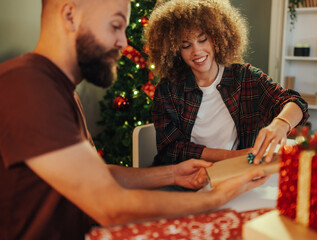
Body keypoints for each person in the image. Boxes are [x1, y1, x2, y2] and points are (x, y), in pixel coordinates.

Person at [0, 0, 269, 239]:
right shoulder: (28, 85)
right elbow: (111, 207)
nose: (123, 42)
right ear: (70, 15)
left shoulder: (60, 90)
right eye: (116, 25)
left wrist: (173, 173)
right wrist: (216, 198)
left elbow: (96, 176)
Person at [145, 0, 309, 167]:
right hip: (187, 178)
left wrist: (280, 124)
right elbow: (171, 150)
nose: (197, 51)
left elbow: (295, 103)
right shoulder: (167, 90)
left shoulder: (244, 77)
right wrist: (231, 156)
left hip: (235, 175)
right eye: (186, 45)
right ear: (174, 50)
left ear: (216, 36)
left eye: (202, 40)